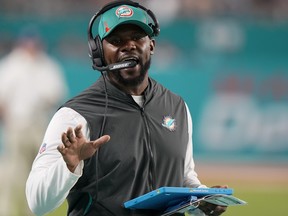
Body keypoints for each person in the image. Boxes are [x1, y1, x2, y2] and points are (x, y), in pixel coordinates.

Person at [26, 1, 227, 215]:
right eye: (116, 40)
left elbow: (184, 177)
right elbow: (37, 204)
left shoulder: (177, 106)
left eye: (137, 37)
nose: (129, 45)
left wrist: (202, 198)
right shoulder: (75, 116)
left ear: (151, 45)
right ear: (99, 52)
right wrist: (69, 166)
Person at [0, 25, 68, 216]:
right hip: (17, 125)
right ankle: (6, 210)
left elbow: (56, 95)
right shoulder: (10, 65)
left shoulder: (47, 65)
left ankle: (33, 211)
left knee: (38, 170)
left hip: (40, 125)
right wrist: (8, 123)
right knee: (13, 172)